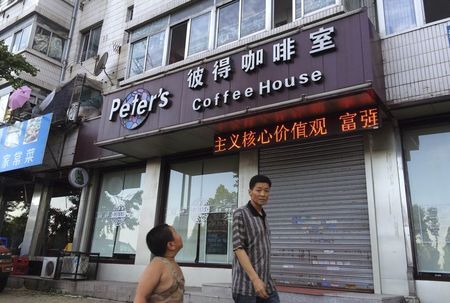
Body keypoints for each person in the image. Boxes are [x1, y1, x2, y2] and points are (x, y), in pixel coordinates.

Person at [232, 175, 280, 303]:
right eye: (258, 190)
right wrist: (255, 280)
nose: (263, 194)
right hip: (246, 289)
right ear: (250, 192)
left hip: (267, 285)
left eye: (266, 190)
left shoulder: (263, 215)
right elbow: (238, 248)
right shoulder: (240, 213)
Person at [134, 224, 185, 303]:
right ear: (171, 245)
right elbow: (141, 295)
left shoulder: (172, 263)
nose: (180, 235)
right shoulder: (158, 264)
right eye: (176, 233)